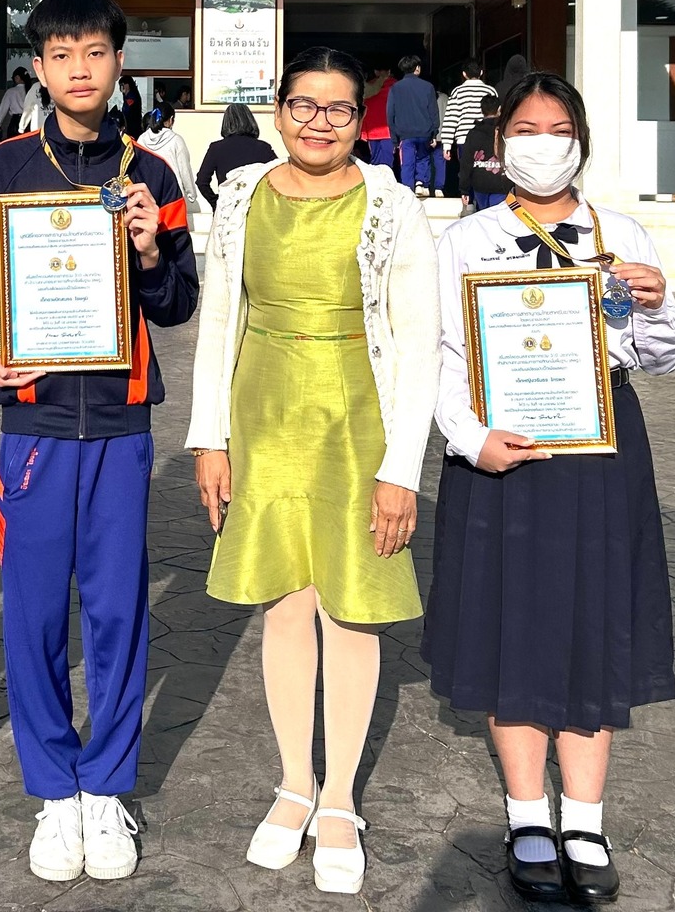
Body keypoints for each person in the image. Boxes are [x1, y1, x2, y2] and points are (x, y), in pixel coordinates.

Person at [425, 71, 675, 907]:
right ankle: (527, 815)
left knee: (592, 621)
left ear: (582, 141)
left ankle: (586, 819)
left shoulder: (622, 233)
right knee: (514, 625)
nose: (544, 145)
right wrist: (471, 439)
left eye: (560, 130)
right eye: (527, 130)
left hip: (600, 451)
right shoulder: (466, 240)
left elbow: (661, 356)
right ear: (500, 145)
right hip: (502, 455)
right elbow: (440, 356)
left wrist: (655, 304)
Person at [188, 47, 437, 898]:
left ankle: (339, 798)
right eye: (303, 105)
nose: (318, 123)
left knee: (350, 607)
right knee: (285, 603)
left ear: (360, 118)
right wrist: (210, 437)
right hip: (263, 413)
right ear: (279, 110)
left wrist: (401, 469)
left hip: (355, 416)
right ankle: (295, 780)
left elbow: (418, 345)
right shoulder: (240, 194)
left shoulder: (391, 205)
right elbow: (219, 317)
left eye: (337, 109)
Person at [0, 0, 199, 885]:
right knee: (31, 612)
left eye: (95, 53)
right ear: (38, 67)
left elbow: (175, 305)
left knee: (115, 610)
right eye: (60, 54)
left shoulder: (155, 177)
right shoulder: (2, 168)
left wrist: (148, 251)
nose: (78, 69)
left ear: (118, 64)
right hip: (32, 420)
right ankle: (53, 792)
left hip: (120, 420)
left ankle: (105, 787)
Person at [196, 101, 278, 208]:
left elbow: (202, 181)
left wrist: (216, 202)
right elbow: (280, 176)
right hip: (256, 207)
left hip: (228, 208)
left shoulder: (216, 148)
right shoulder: (263, 148)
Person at [385, 55, 440, 197]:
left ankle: (408, 189)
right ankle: (421, 183)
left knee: (407, 162)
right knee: (423, 158)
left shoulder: (395, 88)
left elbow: (390, 114)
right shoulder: (428, 87)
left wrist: (394, 138)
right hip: (425, 131)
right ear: (417, 68)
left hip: (405, 133)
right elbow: (433, 111)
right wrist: (434, 132)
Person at [439, 60, 497, 195]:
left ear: (464, 74)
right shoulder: (490, 90)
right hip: (486, 138)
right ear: (481, 72)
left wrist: (447, 145)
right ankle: (480, 200)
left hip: (464, 139)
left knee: (466, 170)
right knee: (485, 169)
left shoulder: (457, 92)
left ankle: (468, 199)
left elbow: (451, 118)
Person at [138, 104, 204, 213]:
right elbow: (184, 170)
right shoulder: (176, 140)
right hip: (172, 197)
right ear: (171, 119)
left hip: (147, 197)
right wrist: (191, 194)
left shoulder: (141, 139)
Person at [457, 90, 508, 211]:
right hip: (501, 182)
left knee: (483, 215)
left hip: (480, 182)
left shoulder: (474, 133)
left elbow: (466, 162)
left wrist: (464, 189)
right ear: (499, 109)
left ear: (482, 111)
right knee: (498, 216)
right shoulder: (506, 131)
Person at [358, 63, 394, 170]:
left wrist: (363, 131)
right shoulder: (397, 86)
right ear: (389, 71)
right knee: (388, 162)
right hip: (389, 131)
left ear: (375, 72)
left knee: (375, 161)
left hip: (372, 130)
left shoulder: (368, 87)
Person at [0, 67, 32, 139]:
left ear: (17, 77)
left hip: (16, 122)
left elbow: (3, 109)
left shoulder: (11, 91)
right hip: (30, 122)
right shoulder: (31, 90)